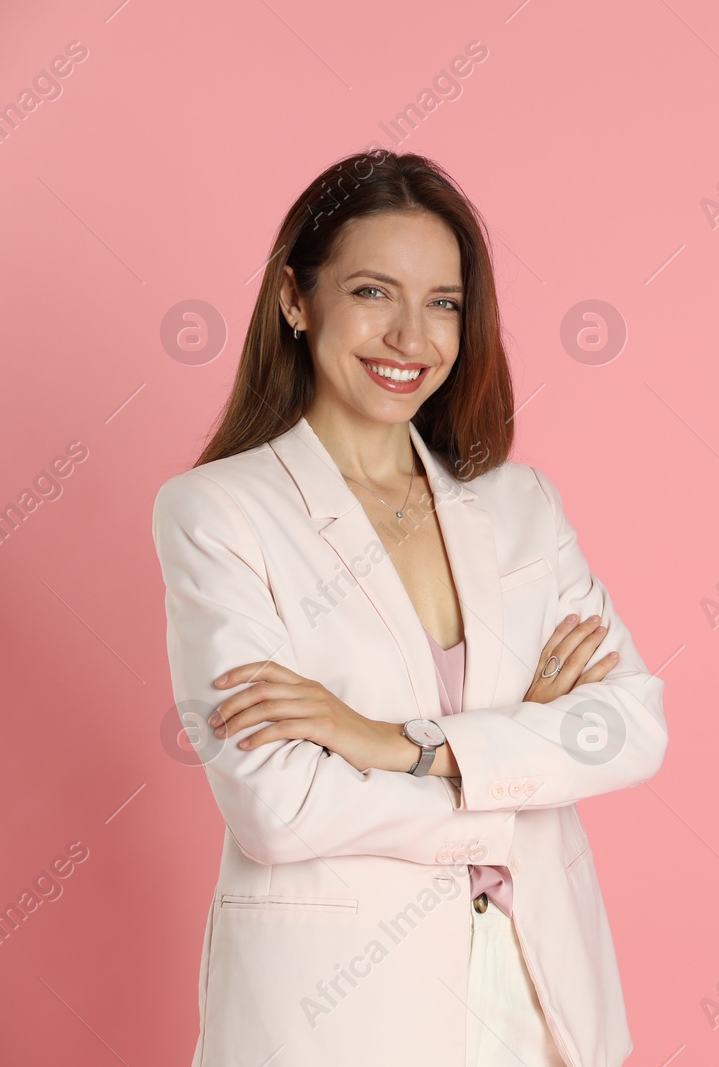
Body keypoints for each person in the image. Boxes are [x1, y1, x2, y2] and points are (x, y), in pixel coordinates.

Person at [150, 149, 667, 1067]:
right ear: (295, 300)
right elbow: (281, 808)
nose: (411, 337)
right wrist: (517, 764)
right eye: (373, 292)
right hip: (336, 1017)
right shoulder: (218, 514)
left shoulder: (521, 505)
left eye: (443, 303)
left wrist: (396, 743)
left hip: (542, 1002)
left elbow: (627, 728)